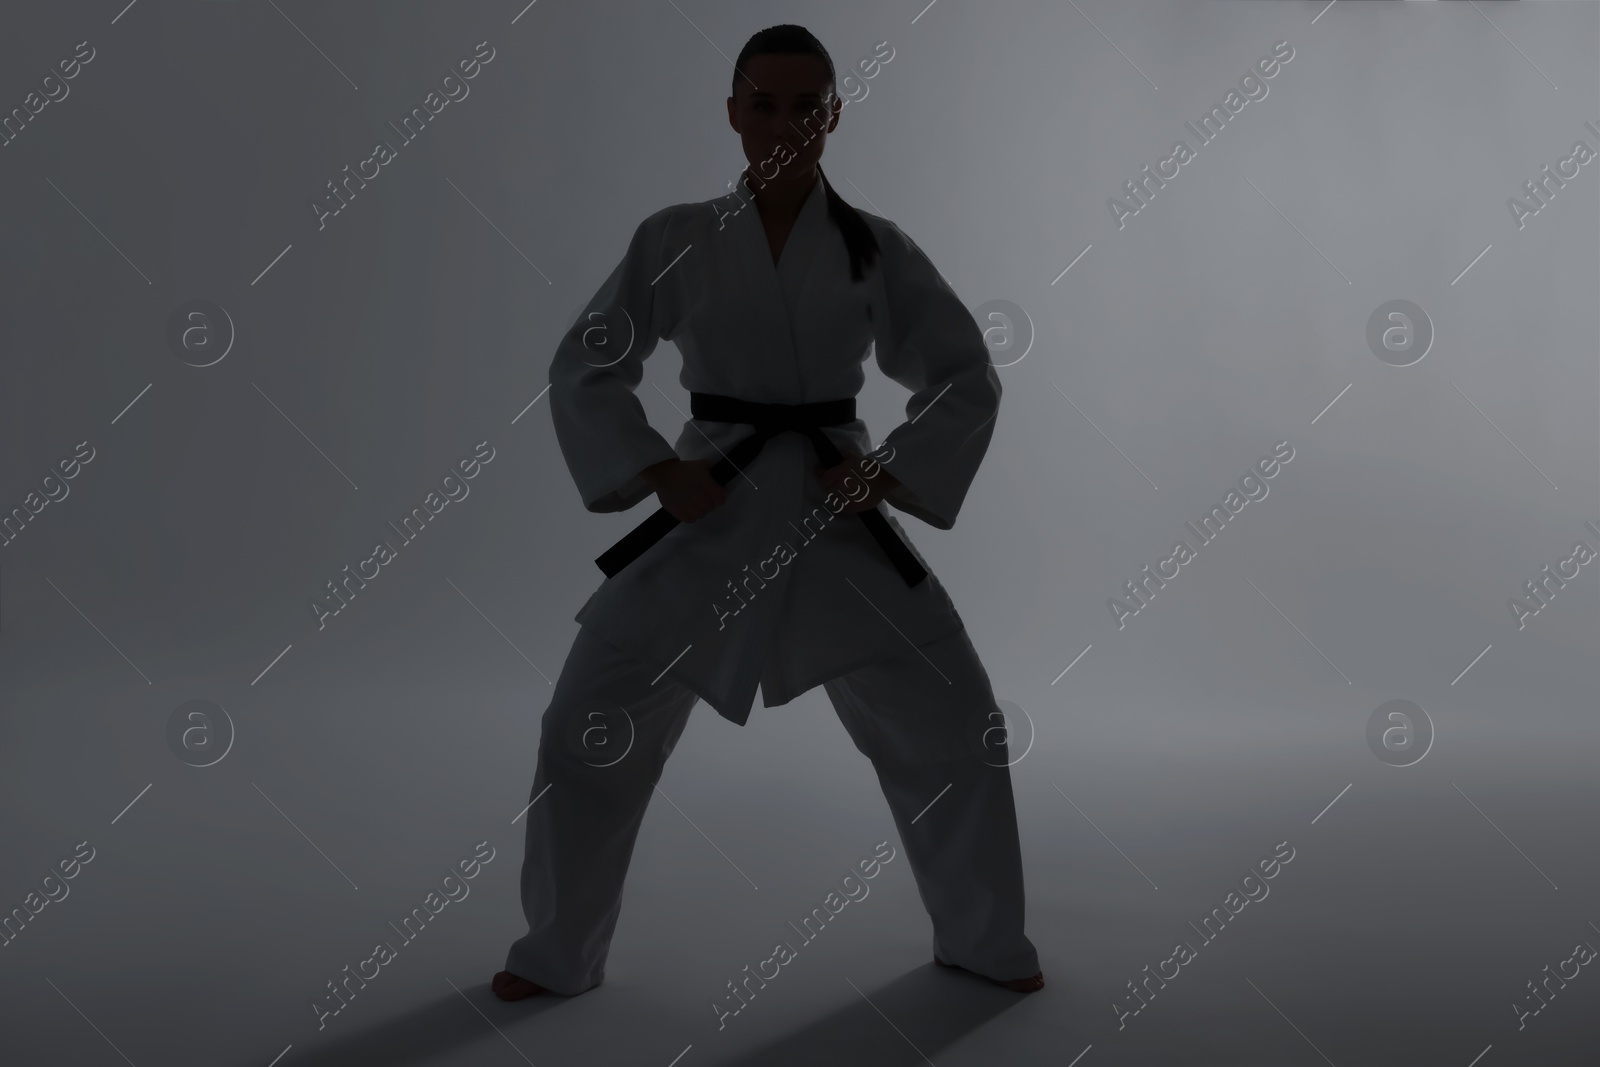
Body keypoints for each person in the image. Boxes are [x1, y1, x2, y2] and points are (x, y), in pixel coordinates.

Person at [492, 23, 1043, 1002]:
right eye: (763, 104)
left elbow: (962, 377)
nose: (783, 125)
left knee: (957, 723)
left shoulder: (874, 248)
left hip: (836, 516)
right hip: (712, 510)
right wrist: (660, 469)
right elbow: (587, 362)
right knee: (586, 722)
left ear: (832, 114)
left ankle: (985, 938)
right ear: (733, 113)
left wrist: (888, 471)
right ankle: (555, 951)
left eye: (805, 106)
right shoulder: (676, 238)